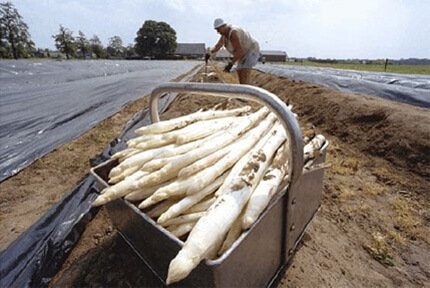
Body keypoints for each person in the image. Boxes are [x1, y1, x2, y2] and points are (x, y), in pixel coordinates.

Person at [206, 18, 260, 84]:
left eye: (218, 29)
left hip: (251, 50)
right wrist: (210, 53)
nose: (218, 32)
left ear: (223, 26)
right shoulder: (224, 35)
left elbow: (239, 51)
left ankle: (246, 90)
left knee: (244, 72)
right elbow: (218, 46)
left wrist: (231, 64)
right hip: (243, 53)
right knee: (239, 71)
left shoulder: (233, 33)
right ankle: (243, 89)